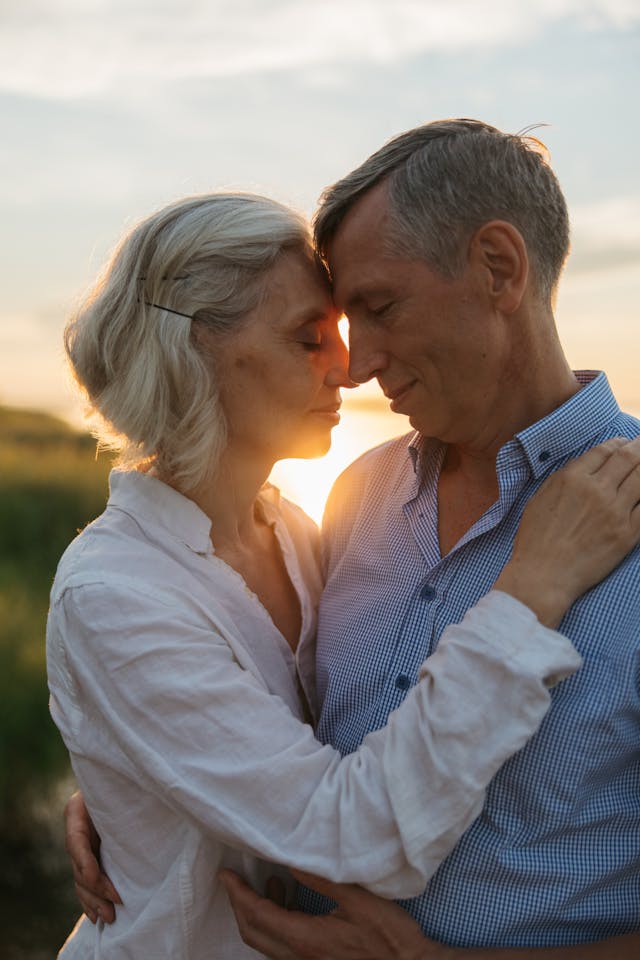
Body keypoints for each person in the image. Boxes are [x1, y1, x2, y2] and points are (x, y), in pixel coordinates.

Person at [54, 188, 640, 958]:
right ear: (192, 349)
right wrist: (534, 589)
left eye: (369, 317)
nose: (350, 368)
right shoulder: (118, 591)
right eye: (310, 339)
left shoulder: (301, 533)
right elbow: (343, 830)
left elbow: (279, 744)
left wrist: (151, 769)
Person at [215, 121, 640, 957]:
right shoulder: (356, 496)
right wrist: (150, 778)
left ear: (498, 267)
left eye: (379, 308)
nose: (354, 365)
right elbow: (282, 727)